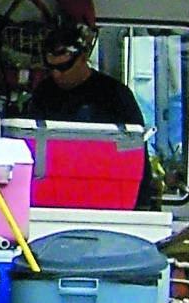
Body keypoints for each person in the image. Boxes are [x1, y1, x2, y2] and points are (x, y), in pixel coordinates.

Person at [26, 20, 159, 207]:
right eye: (51, 68)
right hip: (52, 199)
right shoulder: (43, 94)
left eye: (64, 67)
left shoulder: (115, 95)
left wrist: (141, 206)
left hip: (107, 199)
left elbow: (137, 155)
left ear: (83, 57)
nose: (57, 74)